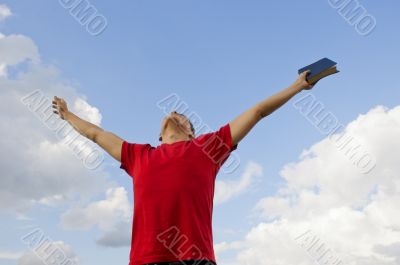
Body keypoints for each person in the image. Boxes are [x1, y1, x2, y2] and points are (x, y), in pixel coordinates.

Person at [52, 70, 313, 265]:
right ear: (159, 136)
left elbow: (257, 112)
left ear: (191, 133)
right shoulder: (138, 155)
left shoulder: (207, 149)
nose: (176, 113)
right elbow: (96, 134)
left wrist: (297, 86)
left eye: (185, 118)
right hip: (146, 259)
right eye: (173, 114)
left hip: (195, 258)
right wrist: (67, 114)